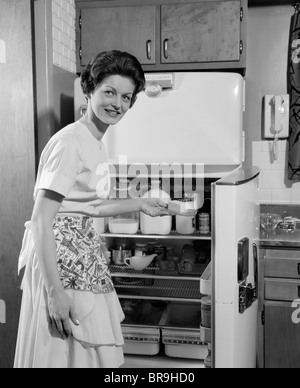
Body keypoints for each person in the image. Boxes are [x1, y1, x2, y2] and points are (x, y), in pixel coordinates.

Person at [14, 50, 169, 369]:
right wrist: (55, 293)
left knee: (85, 354)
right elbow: (41, 222)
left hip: (82, 257)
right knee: (67, 353)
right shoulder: (70, 143)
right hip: (60, 263)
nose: (118, 103)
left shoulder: (95, 142)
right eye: (109, 92)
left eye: (126, 97)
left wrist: (138, 203)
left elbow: (88, 205)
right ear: (89, 90)